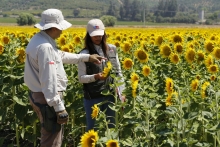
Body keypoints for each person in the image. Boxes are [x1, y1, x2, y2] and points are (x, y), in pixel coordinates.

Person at [24, 9, 105, 147]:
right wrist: (58, 107)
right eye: (60, 28)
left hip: (39, 96)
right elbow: (48, 80)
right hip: (47, 99)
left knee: (49, 135)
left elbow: (59, 55)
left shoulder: (39, 40)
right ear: (54, 27)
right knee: (52, 140)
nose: (62, 31)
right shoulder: (45, 47)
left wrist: (87, 57)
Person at [77, 19, 126, 131]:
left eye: (100, 35)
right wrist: (96, 77)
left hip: (110, 95)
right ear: (88, 35)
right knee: (93, 129)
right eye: (95, 36)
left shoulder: (112, 49)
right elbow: (81, 78)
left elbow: (118, 71)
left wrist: (122, 92)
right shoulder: (84, 54)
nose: (98, 38)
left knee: (112, 127)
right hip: (93, 97)